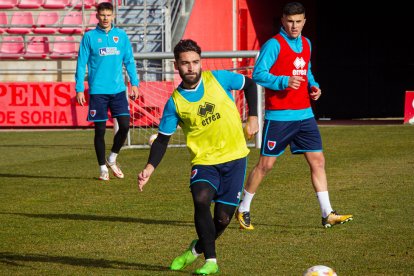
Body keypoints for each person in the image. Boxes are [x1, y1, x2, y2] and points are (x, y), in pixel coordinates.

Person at [137, 39, 258, 275]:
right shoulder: (175, 103)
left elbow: (250, 85)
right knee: (201, 198)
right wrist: (150, 167)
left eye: (195, 62)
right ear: (176, 66)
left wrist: (253, 116)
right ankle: (211, 261)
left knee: (222, 219)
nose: (191, 67)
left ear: (200, 62)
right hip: (204, 162)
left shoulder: (219, 79)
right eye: (185, 63)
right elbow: (162, 139)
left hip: (235, 158)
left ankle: (194, 251)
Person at [236, 2, 353, 229]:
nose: (294, 26)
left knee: (318, 161)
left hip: (305, 116)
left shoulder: (306, 43)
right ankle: (243, 208)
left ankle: (327, 213)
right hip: (279, 117)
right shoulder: (274, 45)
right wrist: (283, 81)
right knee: (266, 165)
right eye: (290, 21)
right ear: (282, 21)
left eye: (299, 21)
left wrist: (314, 86)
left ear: (304, 22)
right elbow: (258, 74)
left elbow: (305, 70)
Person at [75, 2, 139, 181]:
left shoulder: (121, 35)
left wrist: (134, 83)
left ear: (113, 16)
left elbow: (129, 61)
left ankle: (112, 158)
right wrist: (80, 88)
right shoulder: (89, 37)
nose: (105, 18)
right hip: (98, 92)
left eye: (108, 14)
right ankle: (103, 168)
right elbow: (81, 64)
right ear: (97, 16)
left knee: (125, 125)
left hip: (118, 90)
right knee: (100, 131)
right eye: (102, 15)